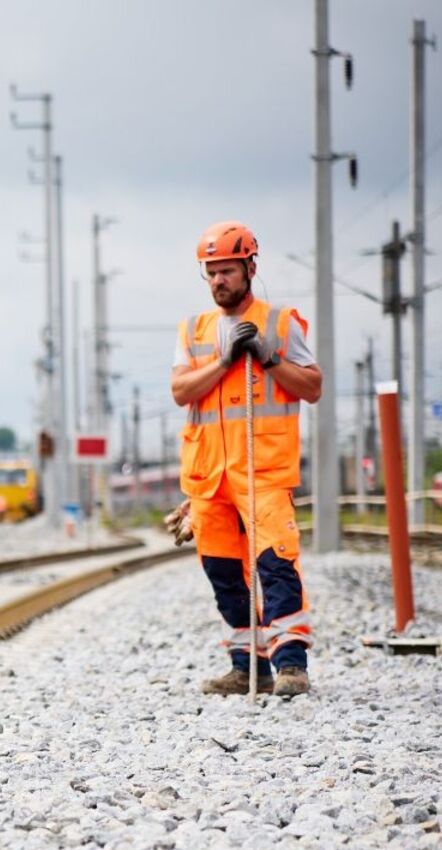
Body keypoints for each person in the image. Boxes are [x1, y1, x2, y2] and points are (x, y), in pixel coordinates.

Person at [170, 221, 323, 696]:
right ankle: (245, 667)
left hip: (263, 473)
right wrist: (223, 362)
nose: (219, 281)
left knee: (276, 564)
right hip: (209, 480)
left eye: (228, 272)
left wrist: (269, 357)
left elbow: (312, 387)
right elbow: (180, 391)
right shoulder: (194, 331)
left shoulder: (279, 324)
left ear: (250, 269)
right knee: (224, 575)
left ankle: (291, 665)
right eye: (212, 273)